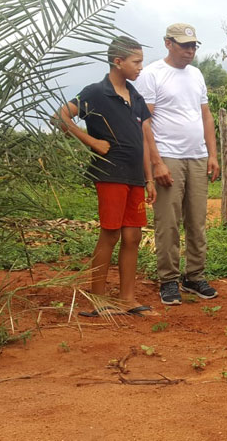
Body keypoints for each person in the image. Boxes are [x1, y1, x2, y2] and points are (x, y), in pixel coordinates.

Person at [54, 36, 156, 316]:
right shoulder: (95, 92)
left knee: (133, 236)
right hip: (110, 173)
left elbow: (144, 140)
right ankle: (98, 298)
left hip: (135, 176)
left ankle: (127, 298)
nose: (140, 67)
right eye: (136, 62)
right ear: (117, 61)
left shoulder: (135, 96)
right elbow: (61, 117)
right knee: (110, 234)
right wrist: (93, 142)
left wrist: (148, 178)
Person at [133, 23, 220, 305]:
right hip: (168, 155)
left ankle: (194, 276)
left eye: (194, 45)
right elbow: (144, 121)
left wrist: (213, 154)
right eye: (185, 45)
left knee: (197, 221)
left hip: (197, 156)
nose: (190, 50)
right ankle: (168, 279)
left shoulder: (196, 74)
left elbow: (206, 116)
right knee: (168, 222)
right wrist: (156, 162)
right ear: (168, 43)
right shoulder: (151, 75)